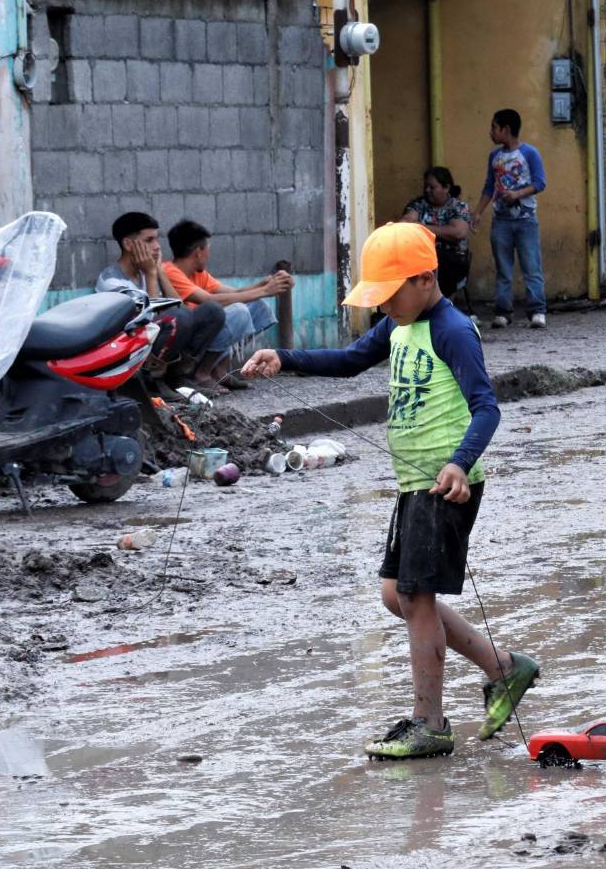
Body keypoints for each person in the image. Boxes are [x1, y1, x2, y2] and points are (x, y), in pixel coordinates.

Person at [242, 222, 539, 760]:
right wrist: (284, 357)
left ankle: (429, 722)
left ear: (425, 279)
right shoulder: (398, 325)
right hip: (413, 484)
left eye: (389, 294)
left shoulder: (451, 329)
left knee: (414, 596)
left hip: (445, 485)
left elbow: (487, 407)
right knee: (395, 595)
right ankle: (502, 666)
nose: (382, 307)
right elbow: (351, 360)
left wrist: (458, 463)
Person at [96, 212, 225, 393]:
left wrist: (159, 272)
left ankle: (176, 377)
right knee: (175, 318)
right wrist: (150, 274)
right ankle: (152, 382)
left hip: (155, 342)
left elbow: (180, 307)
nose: (157, 247)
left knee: (212, 311)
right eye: (149, 240)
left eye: (157, 240)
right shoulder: (113, 282)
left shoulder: (145, 271)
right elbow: (147, 322)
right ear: (128, 244)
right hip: (131, 353)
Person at [163, 219, 293, 391]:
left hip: (205, 335)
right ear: (198, 252)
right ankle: (201, 374)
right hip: (188, 345)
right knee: (238, 311)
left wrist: (266, 283)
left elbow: (236, 293)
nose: (209, 254)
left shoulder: (199, 274)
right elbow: (209, 300)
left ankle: (220, 371)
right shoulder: (170, 271)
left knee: (257, 307)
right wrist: (265, 290)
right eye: (208, 248)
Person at [470, 108, 547, 330]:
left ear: (506, 129)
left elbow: (540, 183)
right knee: (503, 268)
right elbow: (489, 186)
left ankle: (537, 311)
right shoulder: (494, 157)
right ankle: (503, 312)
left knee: (531, 266)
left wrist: (517, 195)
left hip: (526, 219)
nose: (490, 132)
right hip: (501, 220)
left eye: (494, 127)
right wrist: (478, 212)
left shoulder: (530, 153)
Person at [400, 166, 472, 310]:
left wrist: (421, 227)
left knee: (442, 264)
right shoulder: (419, 205)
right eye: (426, 186)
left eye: (432, 187)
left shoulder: (458, 207)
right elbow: (405, 224)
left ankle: (440, 308)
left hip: (452, 257)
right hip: (422, 255)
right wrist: (440, 231)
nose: (427, 190)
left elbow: (458, 232)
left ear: (446, 188)